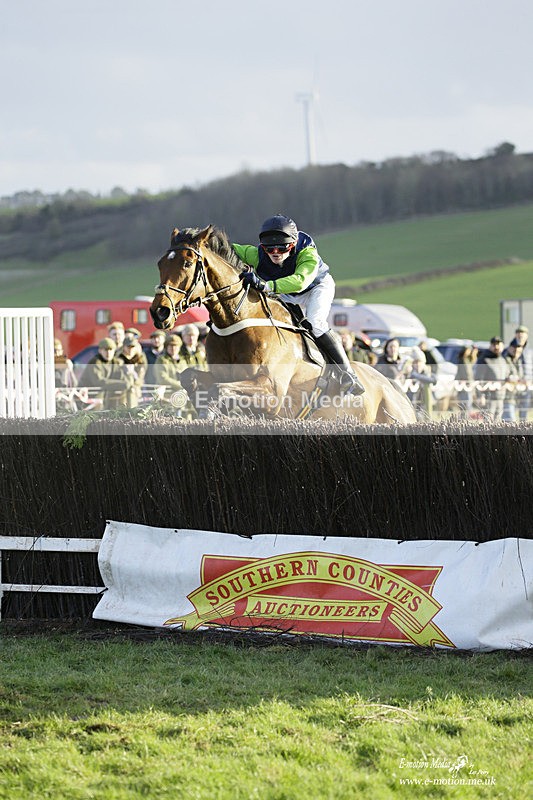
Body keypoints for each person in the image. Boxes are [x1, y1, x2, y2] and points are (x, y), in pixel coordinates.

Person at [232, 214, 365, 395]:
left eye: (281, 248)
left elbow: (301, 281)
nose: (275, 253)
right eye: (269, 249)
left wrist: (267, 285)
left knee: (315, 322)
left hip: (316, 288)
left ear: (293, 244)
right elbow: (228, 249)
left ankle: (348, 375)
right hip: (286, 293)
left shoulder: (307, 252)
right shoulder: (257, 254)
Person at [80, 337, 136, 410]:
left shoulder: (115, 362)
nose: (108, 353)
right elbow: (99, 381)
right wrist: (123, 384)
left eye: (111, 350)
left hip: (105, 396)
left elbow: (122, 377)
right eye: (105, 350)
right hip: (89, 396)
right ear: (100, 350)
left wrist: (128, 377)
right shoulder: (95, 362)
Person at [474, 336, 509, 421]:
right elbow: (479, 379)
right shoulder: (484, 359)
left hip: (501, 397)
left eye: (498, 344)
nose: (496, 347)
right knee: (488, 423)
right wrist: (480, 396)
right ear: (490, 346)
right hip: (488, 398)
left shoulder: (502, 359)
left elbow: (506, 375)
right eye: (494, 345)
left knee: (498, 423)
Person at [403, 348, 437, 419]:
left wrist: (418, 376)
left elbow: (434, 380)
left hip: (424, 404)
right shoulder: (409, 373)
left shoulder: (427, 372)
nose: (418, 364)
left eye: (419, 362)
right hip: (412, 404)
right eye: (415, 362)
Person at [117, 334, 148, 408]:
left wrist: (135, 378)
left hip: (137, 393)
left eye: (133, 347)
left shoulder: (140, 360)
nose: (130, 349)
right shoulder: (118, 359)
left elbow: (141, 378)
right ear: (124, 347)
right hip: (121, 394)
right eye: (128, 347)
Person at [511, 325, 532, 421]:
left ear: (526, 336)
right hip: (514, 386)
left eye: (523, 334)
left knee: (524, 414)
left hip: (527, 386)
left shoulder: (529, 352)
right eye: (518, 333)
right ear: (515, 335)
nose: (520, 336)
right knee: (511, 413)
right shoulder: (510, 350)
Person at [503, 340, 525, 422]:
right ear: (509, 348)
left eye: (519, 350)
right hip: (506, 396)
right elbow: (505, 377)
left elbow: (521, 376)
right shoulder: (505, 360)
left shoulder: (518, 361)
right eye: (514, 349)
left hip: (516, 396)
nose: (516, 351)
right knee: (510, 421)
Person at [54, 338, 78, 412]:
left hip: (67, 404)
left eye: (59, 350)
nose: (58, 354)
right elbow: (61, 384)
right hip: (54, 405)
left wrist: (69, 369)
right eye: (55, 351)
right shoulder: (47, 367)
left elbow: (74, 383)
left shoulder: (65, 365)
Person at [455, 344, 477, 419]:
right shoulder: (462, 360)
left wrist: (474, 353)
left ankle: (466, 417)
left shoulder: (467, 360)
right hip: (463, 385)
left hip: (468, 384)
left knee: (468, 402)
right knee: (465, 403)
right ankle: (463, 418)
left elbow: (473, 361)